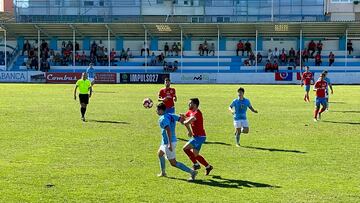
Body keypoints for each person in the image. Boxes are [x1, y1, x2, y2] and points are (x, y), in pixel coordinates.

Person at [156, 103, 198, 181]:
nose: (156, 111)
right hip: (167, 141)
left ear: (161, 110)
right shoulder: (171, 115)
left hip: (169, 142)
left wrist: (169, 144)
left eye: (157, 110)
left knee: (173, 163)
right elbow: (183, 120)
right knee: (160, 154)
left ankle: (192, 172)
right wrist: (188, 128)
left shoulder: (163, 119)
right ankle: (163, 172)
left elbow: (168, 130)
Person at [181, 98, 213, 175]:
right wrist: (182, 116)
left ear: (195, 105)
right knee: (195, 154)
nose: (188, 105)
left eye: (190, 103)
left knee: (185, 148)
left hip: (200, 137)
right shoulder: (190, 111)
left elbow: (187, 122)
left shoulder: (197, 114)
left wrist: (184, 122)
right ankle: (208, 166)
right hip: (197, 137)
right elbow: (186, 116)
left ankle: (196, 164)